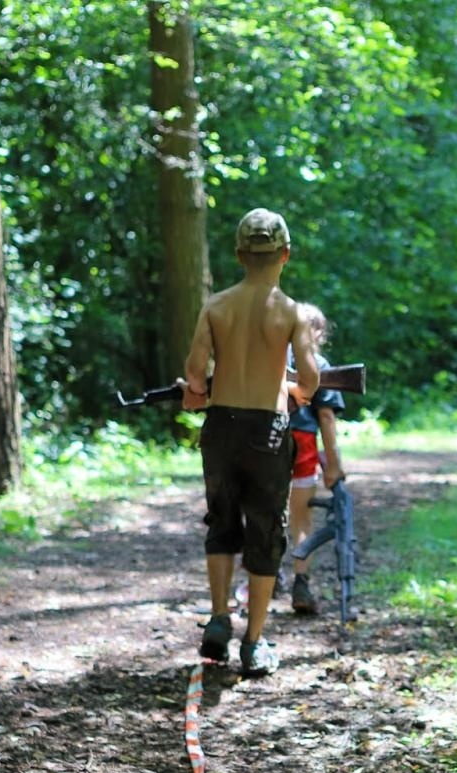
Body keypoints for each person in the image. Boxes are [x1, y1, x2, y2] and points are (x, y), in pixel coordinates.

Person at [181, 207, 320, 677]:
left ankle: (220, 617)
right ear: (285, 254)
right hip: (269, 432)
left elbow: (196, 374)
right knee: (266, 532)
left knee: (221, 522)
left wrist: (197, 394)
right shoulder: (291, 312)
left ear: (240, 255)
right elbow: (311, 377)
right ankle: (254, 644)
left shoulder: (216, 306)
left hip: (221, 428)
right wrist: (296, 390)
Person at [284, 304, 346, 616]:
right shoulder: (318, 364)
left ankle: (258, 583)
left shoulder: (269, 360)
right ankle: (301, 581)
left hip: (263, 440)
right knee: (301, 519)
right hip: (302, 442)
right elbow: (325, 416)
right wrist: (333, 463)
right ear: (319, 333)